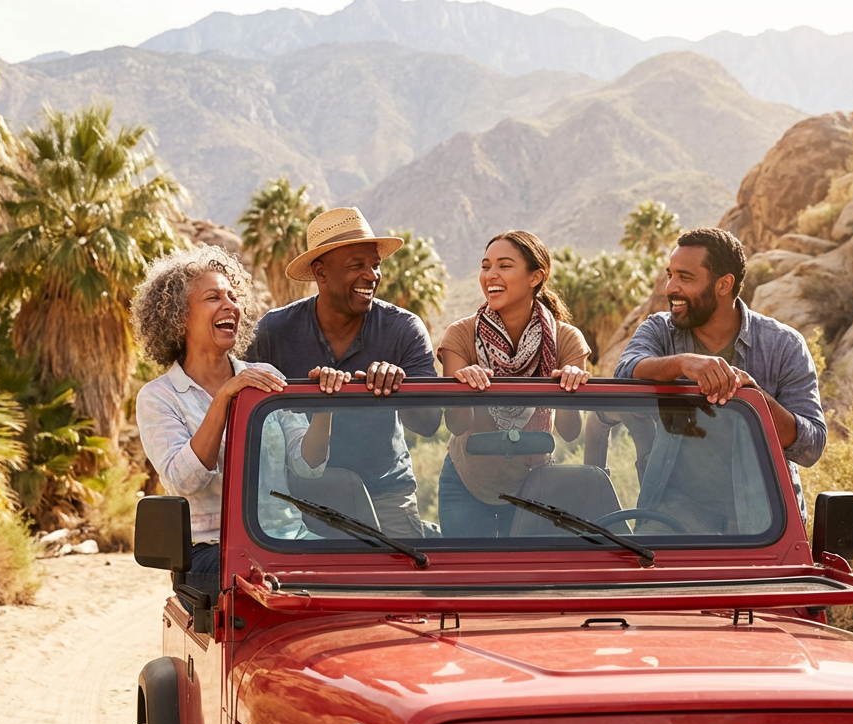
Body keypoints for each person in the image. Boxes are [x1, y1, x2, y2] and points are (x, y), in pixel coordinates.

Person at [134, 246, 332, 605]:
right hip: (211, 553)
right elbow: (186, 480)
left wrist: (324, 410)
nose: (231, 306)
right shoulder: (159, 397)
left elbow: (307, 465)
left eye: (233, 297)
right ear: (179, 316)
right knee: (268, 594)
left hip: (287, 540)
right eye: (213, 297)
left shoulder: (265, 377)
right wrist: (225, 397)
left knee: (357, 574)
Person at [613, 227, 826, 529]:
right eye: (670, 275)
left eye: (685, 277)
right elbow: (624, 371)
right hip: (675, 515)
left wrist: (756, 399)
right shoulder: (659, 330)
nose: (671, 287)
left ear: (724, 284)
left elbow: (811, 446)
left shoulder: (784, 345)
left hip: (765, 522)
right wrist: (684, 363)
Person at [247, 207, 440, 538]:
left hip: (385, 492)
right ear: (321, 272)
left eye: (375, 265)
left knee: (405, 571)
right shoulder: (274, 331)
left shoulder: (403, 328)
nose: (372, 275)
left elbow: (429, 423)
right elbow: (245, 416)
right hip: (296, 498)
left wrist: (400, 385)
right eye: (356, 265)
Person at [437, 230, 592, 537]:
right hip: (464, 483)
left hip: (535, 484)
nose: (490, 275)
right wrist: (464, 386)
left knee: (527, 568)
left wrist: (568, 388)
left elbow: (570, 432)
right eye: (485, 266)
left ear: (536, 277)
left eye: (504, 266)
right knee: (467, 569)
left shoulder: (566, 339)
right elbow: (456, 424)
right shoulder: (460, 334)